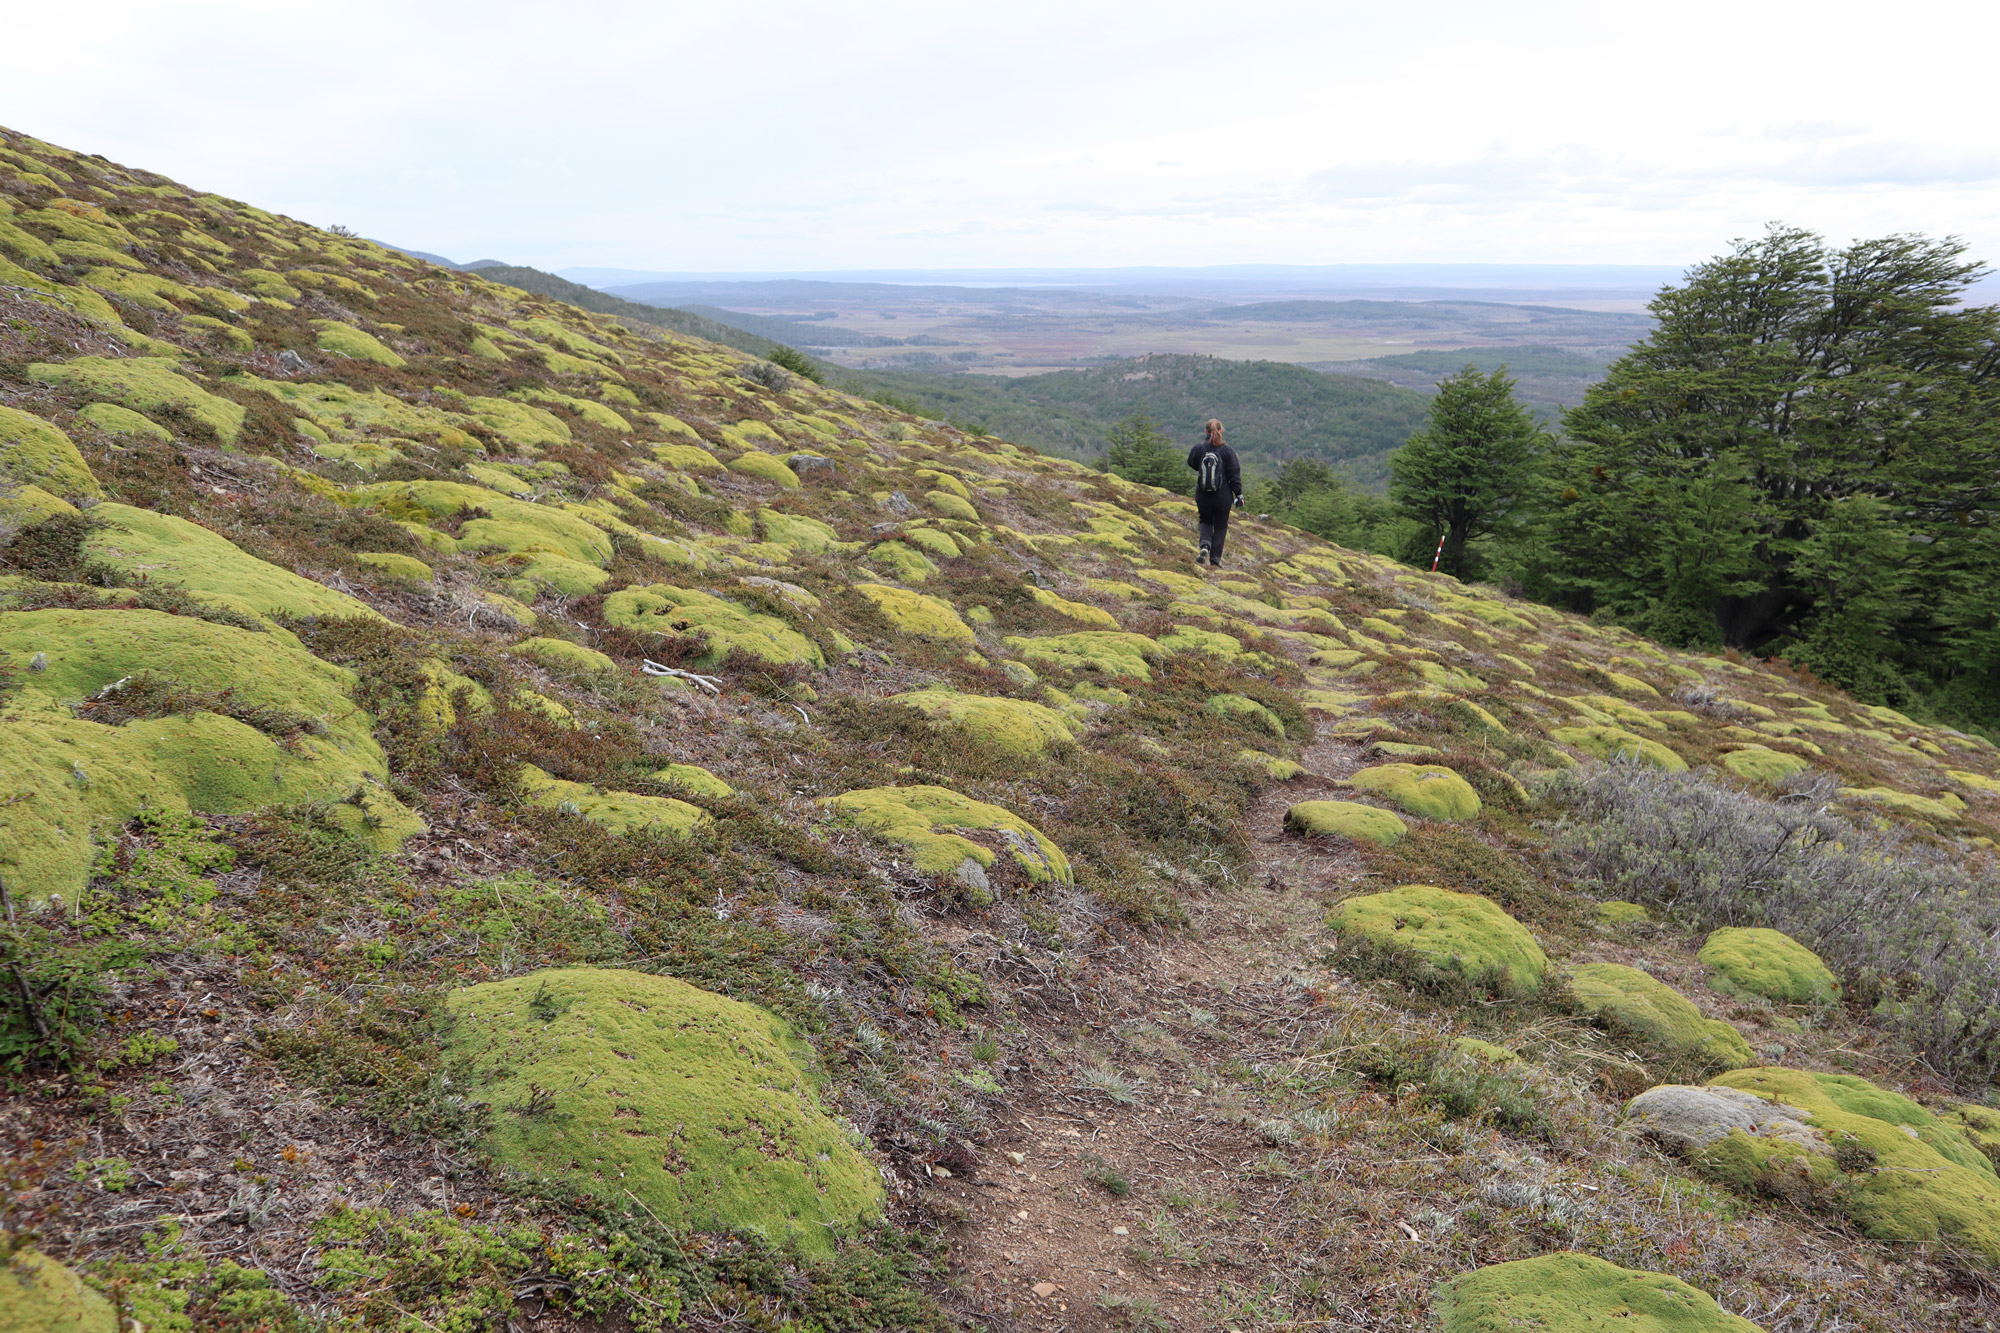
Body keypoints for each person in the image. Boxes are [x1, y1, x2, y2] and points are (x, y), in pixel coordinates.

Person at [1186, 418, 1242, 566]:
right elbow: (1234, 474)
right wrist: (1239, 494)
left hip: (1203, 494)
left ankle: (1205, 545)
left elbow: (1191, 462)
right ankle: (1215, 560)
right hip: (1222, 497)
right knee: (1221, 526)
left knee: (1205, 521)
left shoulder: (1198, 448)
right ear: (1221, 431)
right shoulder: (1227, 451)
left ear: (1206, 431)